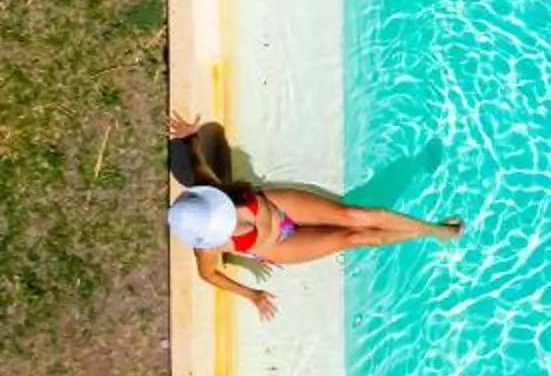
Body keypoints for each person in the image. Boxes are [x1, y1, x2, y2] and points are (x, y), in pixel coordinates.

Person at [166, 114, 461, 321]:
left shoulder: (212, 190)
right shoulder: (207, 246)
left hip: (278, 207)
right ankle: (429, 233)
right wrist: (252, 294)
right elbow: (208, 274)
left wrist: (190, 136)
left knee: (355, 214)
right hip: (278, 245)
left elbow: (198, 160)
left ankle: (433, 224)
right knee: (356, 237)